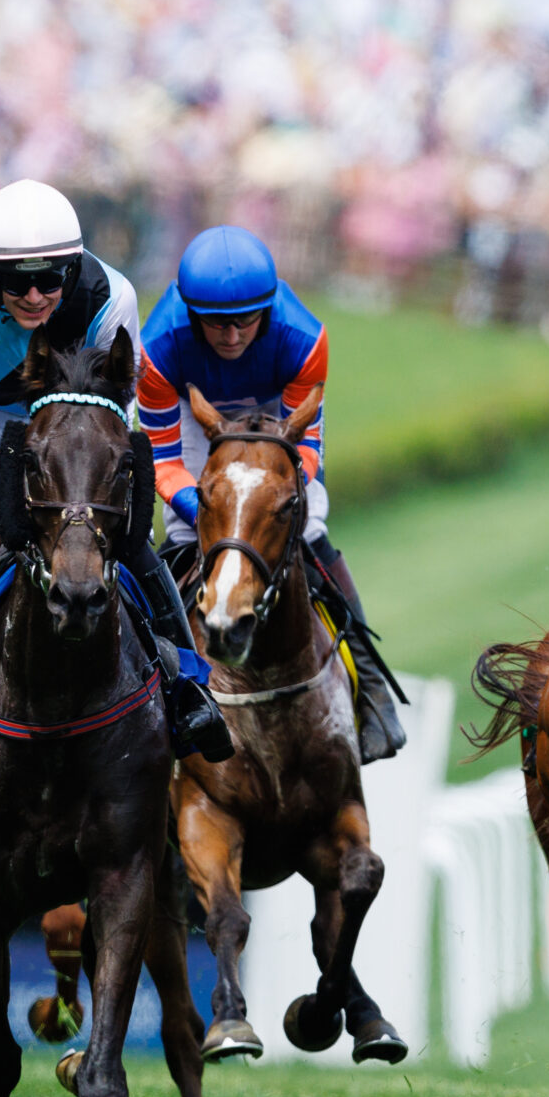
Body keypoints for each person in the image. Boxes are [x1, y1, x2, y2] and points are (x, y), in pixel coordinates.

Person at [0, 179, 229, 776]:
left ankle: (188, 692)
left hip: (74, 418)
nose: (36, 295)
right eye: (17, 282)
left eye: (51, 279)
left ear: (72, 269)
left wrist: (76, 473)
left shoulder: (110, 298)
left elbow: (114, 407)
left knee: (120, 541)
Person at [139, 224, 407, 763]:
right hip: (197, 422)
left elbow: (306, 450)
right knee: (183, 536)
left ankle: (372, 686)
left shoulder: (304, 337)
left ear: (268, 308)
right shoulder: (158, 348)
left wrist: (263, 506)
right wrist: (213, 513)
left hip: (276, 420)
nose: (232, 336)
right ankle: (151, 689)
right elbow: (163, 463)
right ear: (192, 314)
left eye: (245, 321)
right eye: (216, 324)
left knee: (309, 527)